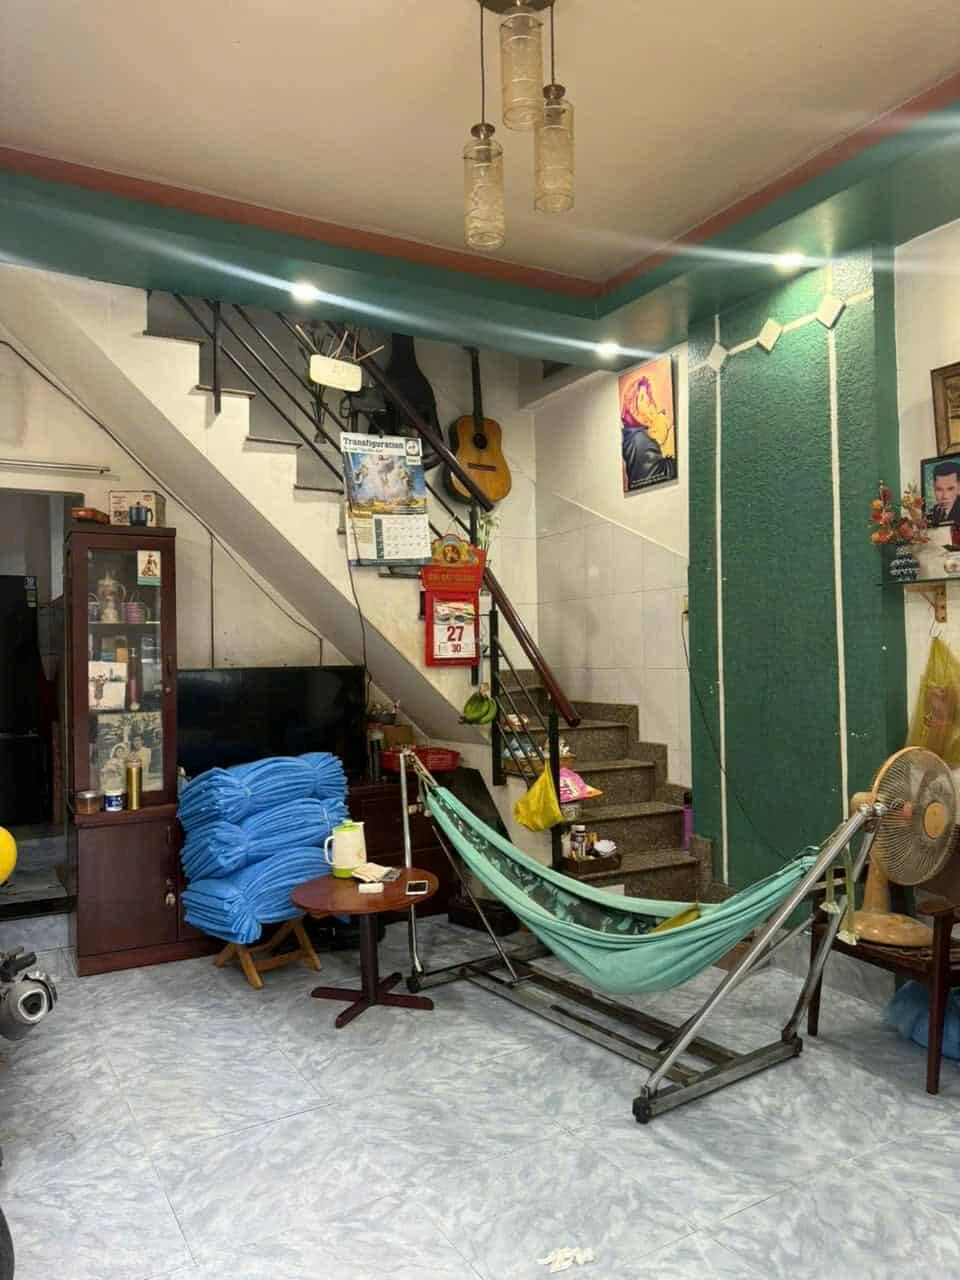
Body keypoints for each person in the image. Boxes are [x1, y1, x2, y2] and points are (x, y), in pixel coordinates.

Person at [929, 460, 960, 525]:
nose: (945, 496)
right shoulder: (935, 510)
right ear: (934, 487)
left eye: (950, 489)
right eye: (939, 489)